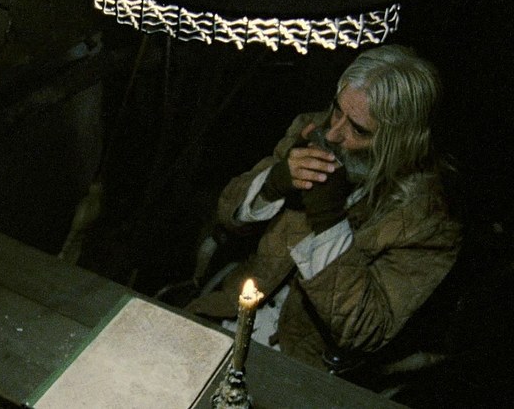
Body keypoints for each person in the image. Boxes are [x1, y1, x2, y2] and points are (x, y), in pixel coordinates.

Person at [186, 44, 462, 373]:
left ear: (398, 142)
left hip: (300, 365)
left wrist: (329, 220)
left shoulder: (428, 221)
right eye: (337, 109)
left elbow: (364, 328)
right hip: (227, 315)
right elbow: (227, 215)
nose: (333, 133)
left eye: (358, 129)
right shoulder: (313, 129)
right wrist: (273, 183)